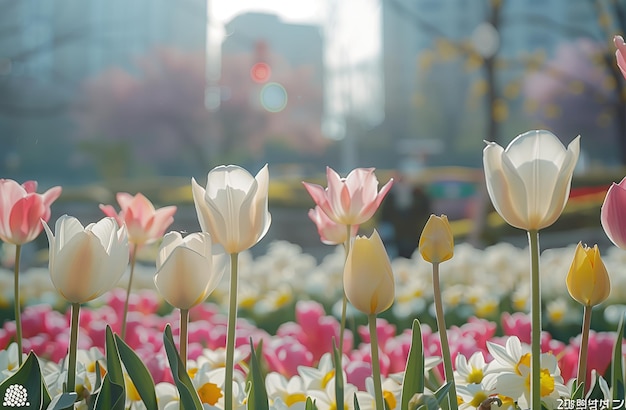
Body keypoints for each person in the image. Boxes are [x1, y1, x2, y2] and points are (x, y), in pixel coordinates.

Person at [379, 171, 432, 259]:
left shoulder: (419, 195)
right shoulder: (390, 197)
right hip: (397, 237)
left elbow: (425, 213)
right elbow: (384, 217)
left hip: (415, 236)